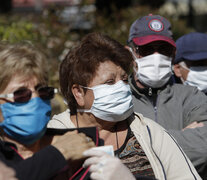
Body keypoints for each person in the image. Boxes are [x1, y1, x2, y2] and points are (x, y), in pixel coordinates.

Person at [48, 32, 201, 180]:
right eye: (109, 82)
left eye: (124, 79)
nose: (121, 87)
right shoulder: (52, 139)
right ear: (79, 93)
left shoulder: (149, 132)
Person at [126, 14, 207, 178]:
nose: (156, 56)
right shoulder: (118, 98)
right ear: (130, 53)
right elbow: (112, 152)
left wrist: (138, 145)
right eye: (147, 49)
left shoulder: (191, 96)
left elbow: (204, 149)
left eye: (164, 50)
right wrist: (179, 137)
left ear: (173, 54)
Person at [0, 42, 95, 180]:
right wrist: (57, 154)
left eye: (43, 91)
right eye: (20, 94)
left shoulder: (84, 142)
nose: (36, 99)